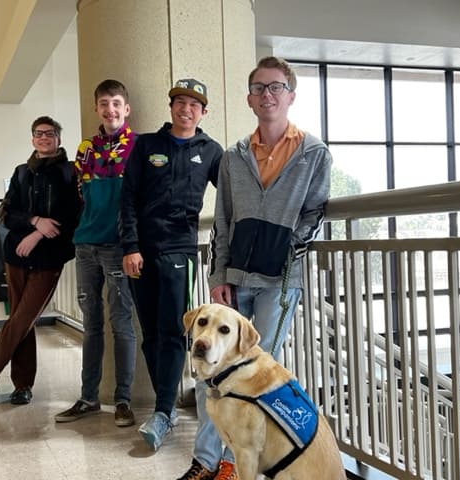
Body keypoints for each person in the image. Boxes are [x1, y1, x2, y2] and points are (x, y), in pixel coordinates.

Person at [178, 57, 332, 480]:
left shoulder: (314, 153)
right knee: (215, 370)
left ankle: (234, 459)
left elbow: (316, 212)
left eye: (276, 87)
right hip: (236, 279)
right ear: (249, 98)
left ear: (291, 96)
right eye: (260, 88)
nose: (268, 95)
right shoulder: (233, 157)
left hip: (280, 284)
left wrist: (286, 250)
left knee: (252, 371)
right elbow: (223, 222)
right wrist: (219, 276)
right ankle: (205, 462)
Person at [119, 78, 223, 451]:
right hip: (140, 253)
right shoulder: (146, 145)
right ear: (171, 107)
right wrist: (130, 246)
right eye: (180, 102)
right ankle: (166, 405)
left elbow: (230, 195)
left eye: (194, 105)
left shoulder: (211, 151)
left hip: (180, 252)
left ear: (203, 112)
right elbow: (127, 198)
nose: (186, 109)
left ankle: (163, 410)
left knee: (174, 330)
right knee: (150, 332)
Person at [0, 115, 81, 405]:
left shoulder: (71, 173)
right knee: (21, 321)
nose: (43, 138)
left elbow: (71, 218)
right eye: (38, 133)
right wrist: (34, 221)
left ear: (59, 138)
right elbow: (6, 213)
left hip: (49, 257)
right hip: (16, 255)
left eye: (49, 133)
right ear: (32, 139)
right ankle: (22, 385)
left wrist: (37, 235)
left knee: (24, 316)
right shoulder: (22, 172)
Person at [55, 79, 138, 427]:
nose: (111, 110)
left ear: (126, 108)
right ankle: (89, 397)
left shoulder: (136, 146)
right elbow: (80, 197)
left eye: (116, 103)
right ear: (96, 108)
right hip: (85, 245)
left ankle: (123, 400)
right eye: (104, 103)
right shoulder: (85, 149)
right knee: (91, 325)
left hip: (118, 246)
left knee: (121, 323)